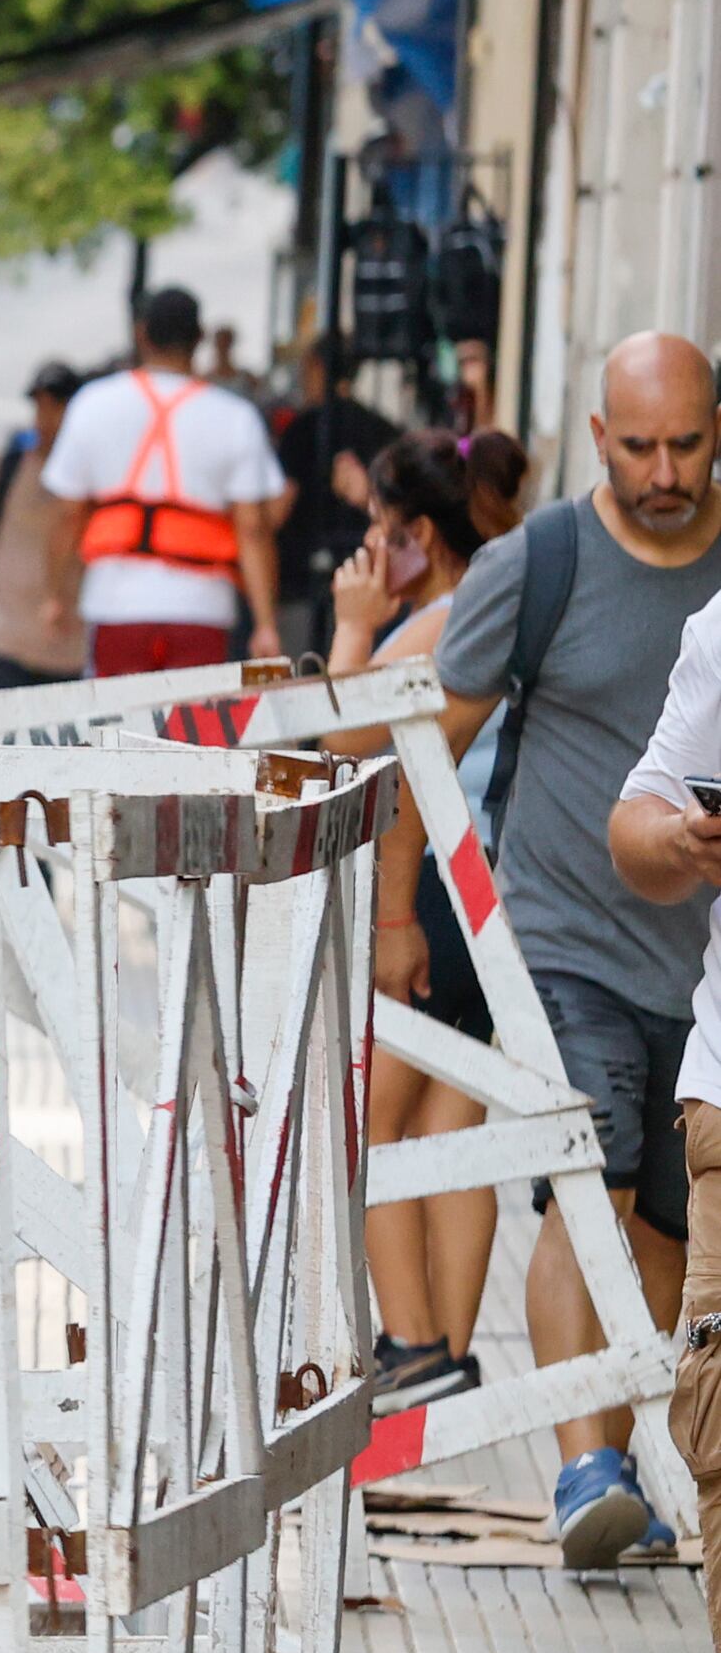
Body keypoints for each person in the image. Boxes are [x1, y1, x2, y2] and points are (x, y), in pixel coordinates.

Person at [446, 334, 721, 1566]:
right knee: (589, 1180)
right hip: (561, 939)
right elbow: (427, 738)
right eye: (638, 445)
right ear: (595, 435)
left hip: (699, 969)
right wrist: (402, 924)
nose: (664, 471)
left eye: (688, 443)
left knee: (660, 1220)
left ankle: (618, 1464)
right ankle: (582, 1467)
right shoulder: (538, 565)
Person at [331, 430, 518, 1414]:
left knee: (369, 1122)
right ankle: (443, 1355)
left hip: (439, 896)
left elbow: (326, 733)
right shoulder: (496, 600)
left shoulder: (442, 619)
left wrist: (351, 624)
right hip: (488, 894)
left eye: (375, 528)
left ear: (415, 535)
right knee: (450, 1123)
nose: (364, 546)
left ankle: (410, 1343)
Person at [43, 286, 285, 681]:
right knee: (187, 738)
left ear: (141, 334)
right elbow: (253, 529)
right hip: (201, 609)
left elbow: (67, 516)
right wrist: (265, 624)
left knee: (114, 737)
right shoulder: (235, 417)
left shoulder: (92, 404)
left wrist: (54, 596)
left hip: (115, 606)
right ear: (200, 339)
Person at [0, 360, 88, 691]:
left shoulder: (92, 481)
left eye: (57, 406)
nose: (47, 417)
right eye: (41, 406)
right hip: (1, 640)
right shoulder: (2, 471)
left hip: (66, 650)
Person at [270, 327, 395, 665]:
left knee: (299, 681)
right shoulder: (382, 428)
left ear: (315, 366)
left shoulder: (302, 428)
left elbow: (280, 507)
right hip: (363, 578)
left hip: (299, 581)